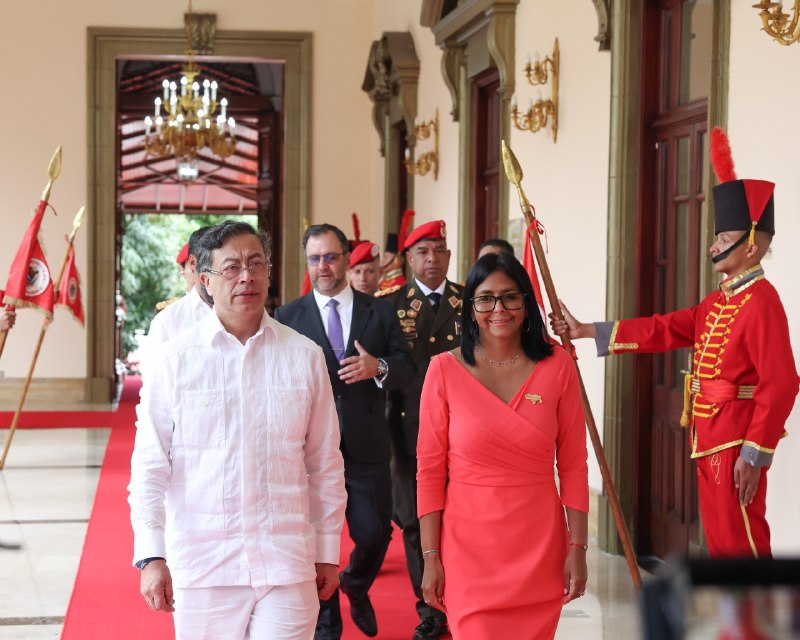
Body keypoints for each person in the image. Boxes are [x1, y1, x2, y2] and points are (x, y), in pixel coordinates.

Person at [551, 128, 799, 558]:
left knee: (742, 541)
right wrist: (587, 330)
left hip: (735, 441)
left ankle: (755, 606)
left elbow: (782, 383)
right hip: (708, 435)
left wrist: (754, 454)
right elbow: (661, 329)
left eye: (723, 240)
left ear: (751, 248)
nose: (713, 247)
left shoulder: (762, 301)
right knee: (721, 543)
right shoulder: (717, 301)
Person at [128, 220, 347, 640]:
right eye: (231, 267)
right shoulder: (175, 361)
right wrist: (151, 555)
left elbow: (324, 464)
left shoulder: (304, 356)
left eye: (256, 264)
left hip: (286, 561)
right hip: (205, 565)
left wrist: (327, 550)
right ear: (205, 281)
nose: (246, 276)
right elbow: (151, 465)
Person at [417, 252, 589, 639]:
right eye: (486, 298)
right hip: (468, 551)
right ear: (470, 307)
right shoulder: (443, 369)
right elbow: (429, 472)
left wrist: (577, 547)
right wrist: (430, 557)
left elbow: (574, 464)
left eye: (510, 297)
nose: (499, 309)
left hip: (539, 548)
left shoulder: (559, 365)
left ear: (526, 304)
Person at [275, 224, 415, 640]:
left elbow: (407, 368)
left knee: (374, 534)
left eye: (331, 257)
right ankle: (327, 620)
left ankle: (354, 582)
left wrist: (379, 367)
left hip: (366, 444)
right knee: (316, 541)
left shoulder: (380, 312)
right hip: (308, 450)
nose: (323, 266)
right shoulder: (287, 317)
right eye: (315, 258)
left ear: (347, 258)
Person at [380, 219, 462, 639]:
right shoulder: (389, 306)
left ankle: (461, 599)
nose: (432, 259)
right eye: (423, 252)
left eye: (438, 251)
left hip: (463, 429)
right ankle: (429, 609)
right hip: (407, 428)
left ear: (448, 256)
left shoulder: (470, 301)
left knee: (459, 521)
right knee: (414, 521)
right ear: (409, 259)